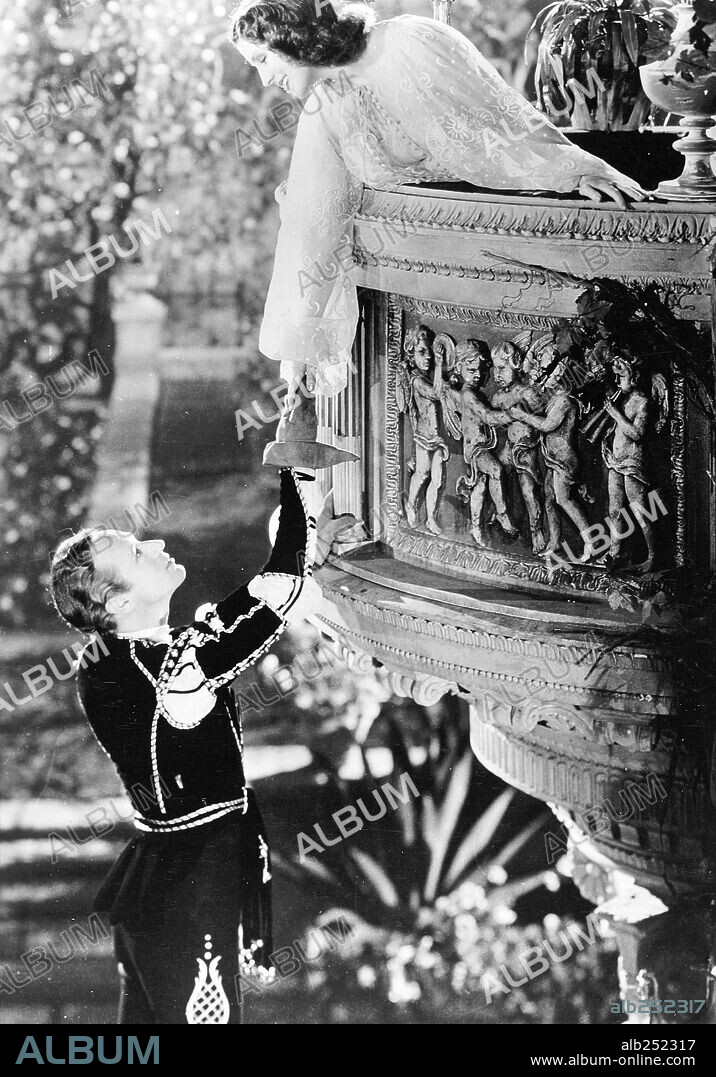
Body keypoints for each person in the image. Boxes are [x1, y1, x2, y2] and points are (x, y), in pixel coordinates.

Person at [231, 1, 645, 401]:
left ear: (289, 37)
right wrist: (298, 350)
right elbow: (312, 223)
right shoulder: (325, 106)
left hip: (514, 242)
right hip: (431, 262)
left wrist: (575, 171)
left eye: (263, 60)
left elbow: (506, 123)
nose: (266, 79)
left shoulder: (411, 40)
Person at [50, 467, 321, 1023]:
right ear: (117, 604)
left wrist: (304, 502)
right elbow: (271, 598)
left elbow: (256, 596)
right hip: (188, 891)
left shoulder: (146, 653)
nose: (156, 544)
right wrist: (300, 487)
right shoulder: (139, 670)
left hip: (172, 880)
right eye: (137, 553)